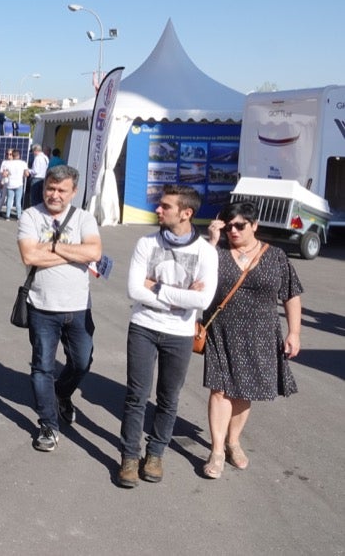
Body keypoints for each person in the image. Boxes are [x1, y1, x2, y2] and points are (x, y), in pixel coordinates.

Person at [117, 185, 218, 488]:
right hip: (144, 327)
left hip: (180, 333)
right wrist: (183, 295)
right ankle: (130, 456)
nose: (158, 210)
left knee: (168, 397)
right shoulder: (146, 243)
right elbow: (134, 290)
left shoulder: (205, 252)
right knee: (137, 395)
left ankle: (156, 454)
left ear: (186, 213)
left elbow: (203, 301)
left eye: (165, 206)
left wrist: (157, 288)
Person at [200, 201, 302, 479]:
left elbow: (291, 294)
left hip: (261, 334)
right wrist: (211, 241)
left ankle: (233, 441)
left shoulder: (276, 256)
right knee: (219, 389)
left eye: (239, 225)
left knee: (245, 390)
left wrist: (294, 332)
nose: (233, 230)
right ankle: (217, 450)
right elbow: (194, 280)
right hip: (220, 329)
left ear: (254, 226)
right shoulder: (215, 252)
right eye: (228, 225)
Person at [17, 164, 103, 452]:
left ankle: (62, 393)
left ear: (73, 192)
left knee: (82, 361)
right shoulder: (30, 215)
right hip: (41, 306)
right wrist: (72, 254)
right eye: (49, 188)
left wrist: (51, 249)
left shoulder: (84, 218)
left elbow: (94, 252)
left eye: (61, 190)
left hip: (78, 306)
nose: (54, 195)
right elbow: (29, 256)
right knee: (41, 366)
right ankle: (48, 425)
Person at [0, 148, 29, 220]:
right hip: (19, 184)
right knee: (18, 201)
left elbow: (4, 174)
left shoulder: (8, 164)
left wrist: (7, 175)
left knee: (9, 200)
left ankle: (7, 216)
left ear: (12, 156)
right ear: (19, 155)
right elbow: (26, 174)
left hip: (10, 184)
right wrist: (22, 175)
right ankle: (19, 217)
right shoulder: (23, 163)